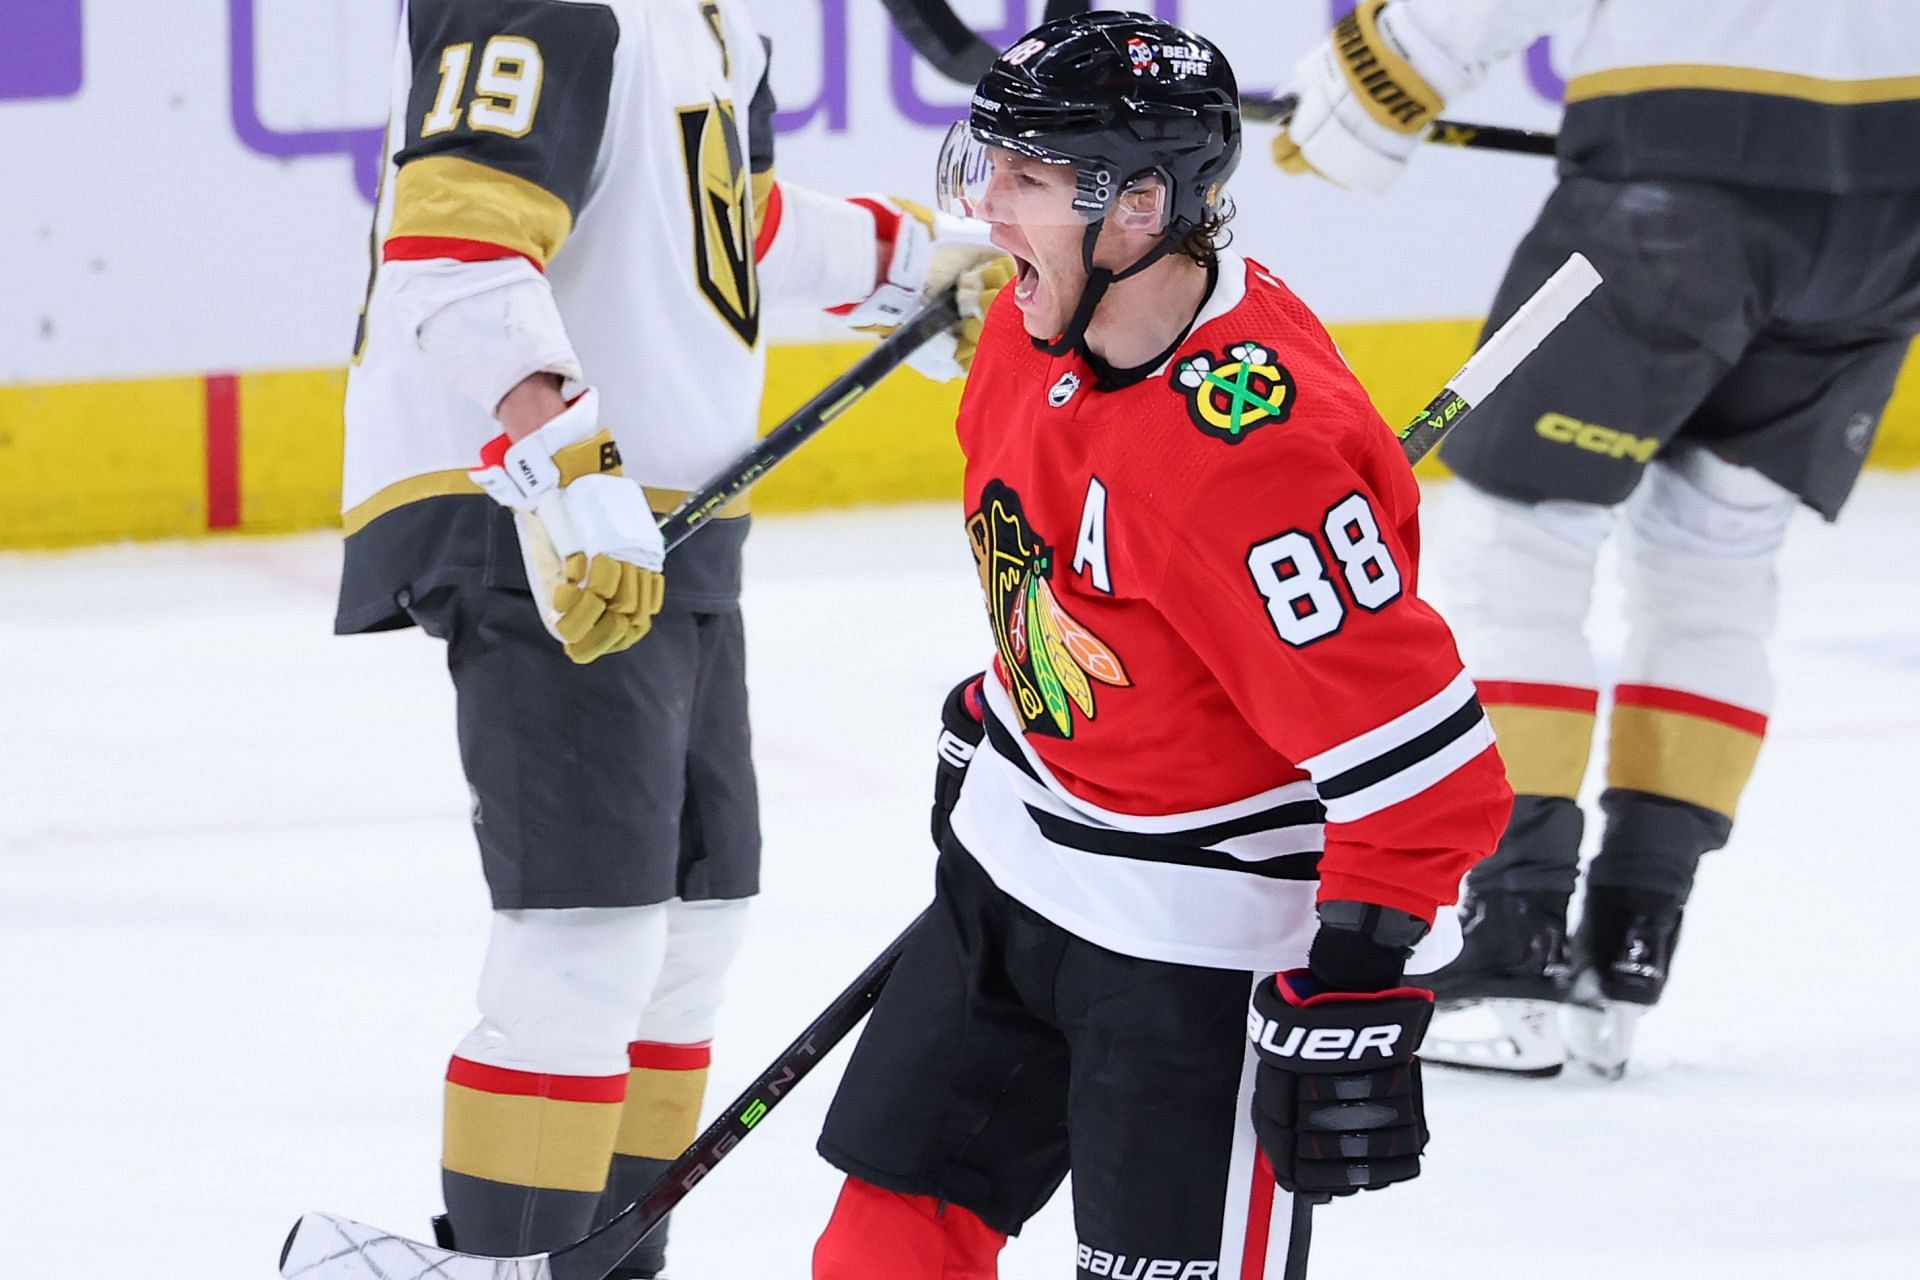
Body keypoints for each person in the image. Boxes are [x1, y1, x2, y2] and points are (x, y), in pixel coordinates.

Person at [808, 14, 1514, 1278]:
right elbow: (1075, 575)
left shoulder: (1252, 465)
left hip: (1198, 938)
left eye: (1022, 180)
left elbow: (1427, 770)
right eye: (990, 166)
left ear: (1138, 207)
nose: (986, 212)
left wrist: (1355, 971)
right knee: (884, 1242)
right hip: (1015, 867)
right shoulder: (1036, 332)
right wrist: (1008, 704)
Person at [336, 0, 988, 1270]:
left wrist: (919, 261)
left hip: (669, 513)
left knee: (696, 925)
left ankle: (606, 1260)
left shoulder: (711, 25)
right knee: (592, 931)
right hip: (538, 501)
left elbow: (716, 220)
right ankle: (511, 1258)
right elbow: (454, 239)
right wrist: (563, 453)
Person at [1271, 0, 1920, 1076]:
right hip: (1889, 219)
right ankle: (1629, 943)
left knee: (1519, 539)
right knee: (1719, 558)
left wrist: (1369, 85)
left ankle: (1510, 940)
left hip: (1672, 193)